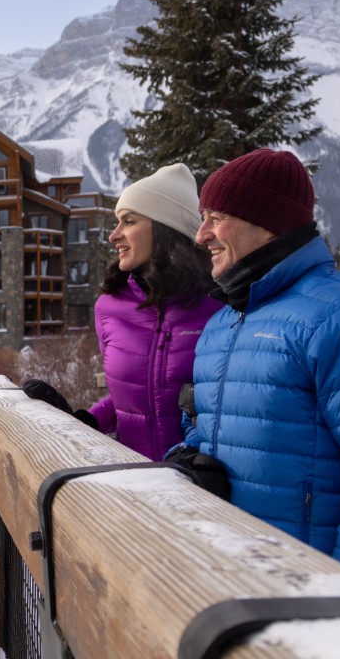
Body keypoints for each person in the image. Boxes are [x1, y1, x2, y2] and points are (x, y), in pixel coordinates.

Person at [175, 148, 340, 592]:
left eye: (216, 216)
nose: (201, 235)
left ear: (266, 222)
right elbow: (210, 437)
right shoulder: (223, 323)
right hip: (231, 578)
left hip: (308, 593)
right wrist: (193, 461)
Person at [23, 164, 222, 461]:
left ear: (166, 229)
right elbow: (125, 400)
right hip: (132, 488)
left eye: (128, 221)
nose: (114, 235)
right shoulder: (109, 307)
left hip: (205, 489)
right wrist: (86, 422)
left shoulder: (220, 304)